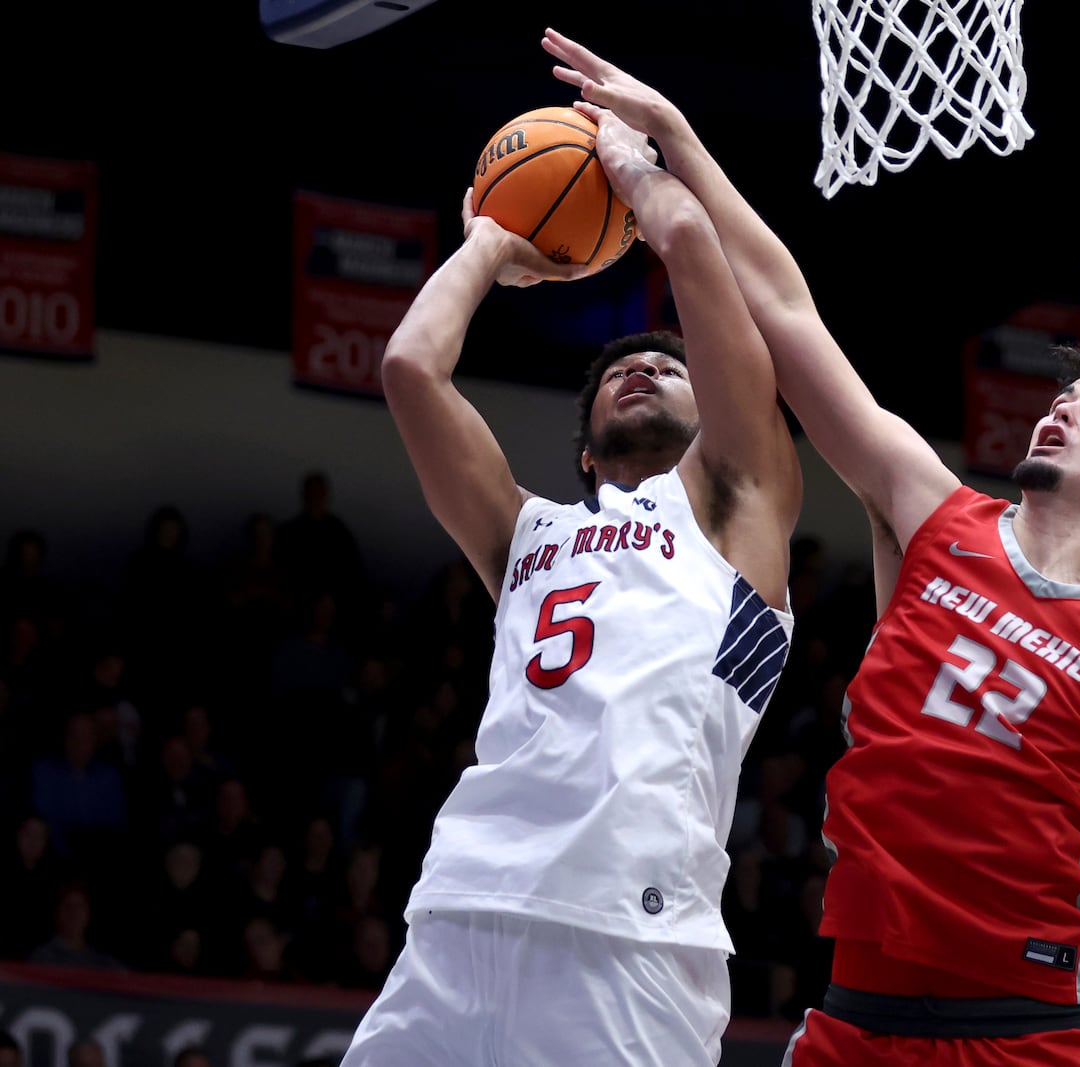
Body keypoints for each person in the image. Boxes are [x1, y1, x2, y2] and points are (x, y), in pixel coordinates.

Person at [543, 28, 1080, 1066]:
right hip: (854, 1023)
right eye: (1060, 394)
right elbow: (783, 306)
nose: (1061, 409)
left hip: (1026, 1036)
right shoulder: (927, 507)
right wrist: (675, 140)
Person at [339, 83, 804, 1066]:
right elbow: (410, 370)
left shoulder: (736, 503)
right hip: (462, 906)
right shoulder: (524, 533)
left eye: (667, 366)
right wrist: (490, 245)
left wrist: (640, 174)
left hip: (628, 934)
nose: (642, 369)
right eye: (618, 372)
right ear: (586, 451)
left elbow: (704, 276)